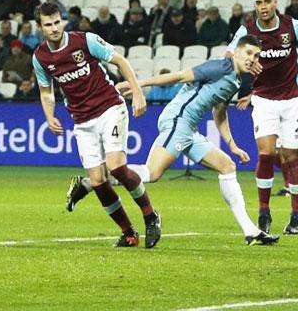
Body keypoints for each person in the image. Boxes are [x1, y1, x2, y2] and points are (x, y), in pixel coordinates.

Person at [66, 35, 279, 246]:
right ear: (238, 52)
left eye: (256, 55)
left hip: (189, 128)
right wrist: (138, 85)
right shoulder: (220, 67)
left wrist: (232, 145)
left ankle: (251, 232)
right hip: (178, 121)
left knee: (227, 166)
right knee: (151, 173)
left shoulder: (236, 79)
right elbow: (178, 76)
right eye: (248, 53)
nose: (251, 58)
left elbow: (220, 111)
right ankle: (91, 182)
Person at [32, 2, 161, 248]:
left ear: (63, 21)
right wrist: (49, 116)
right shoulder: (40, 57)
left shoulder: (85, 40)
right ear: (40, 27)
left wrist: (138, 92)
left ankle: (150, 216)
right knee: (98, 181)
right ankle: (128, 233)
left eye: (57, 22)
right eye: (48, 24)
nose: (54, 28)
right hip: (81, 120)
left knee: (117, 168)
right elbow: (46, 92)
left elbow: (121, 62)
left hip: (110, 108)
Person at [226, 0, 298, 235]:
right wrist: (247, 62)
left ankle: (297, 215)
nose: (263, 6)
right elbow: (229, 55)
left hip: (292, 100)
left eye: (267, 1)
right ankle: (264, 212)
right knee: (266, 153)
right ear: (255, 5)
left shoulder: (293, 27)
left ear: (276, 3)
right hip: (264, 100)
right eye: (259, 3)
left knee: (292, 157)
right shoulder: (248, 30)